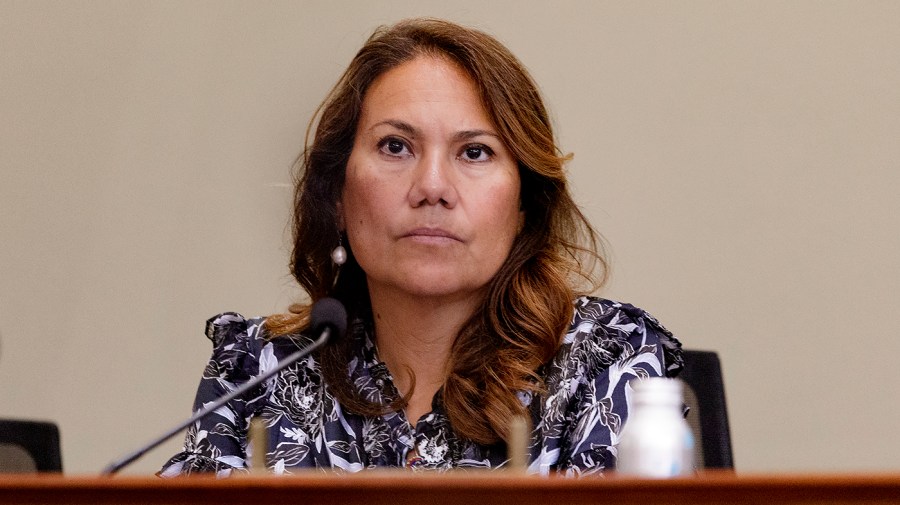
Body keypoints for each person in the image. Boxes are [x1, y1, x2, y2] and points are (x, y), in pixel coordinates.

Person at [160, 17, 682, 477]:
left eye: (474, 152)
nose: (432, 186)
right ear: (337, 195)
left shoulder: (608, 363)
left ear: (525, 203)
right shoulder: (257, 371)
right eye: (395, 146)